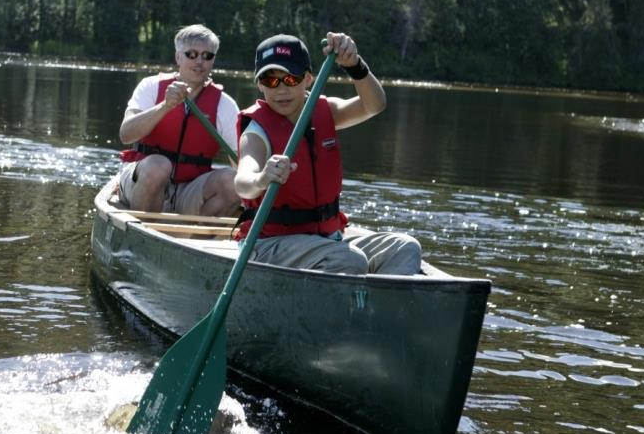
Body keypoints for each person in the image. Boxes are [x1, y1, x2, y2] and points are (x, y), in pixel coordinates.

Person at [234, 32, 422, 275]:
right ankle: (353, 304)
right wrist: (262, 178)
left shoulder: (325, 110)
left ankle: (375, 307)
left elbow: (374, 105)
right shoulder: (255, 130)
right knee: (350, 260)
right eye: (271, 81)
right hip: (270, 245)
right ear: (259, 84)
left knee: (406, 247)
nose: (281, 89)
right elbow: (243, 182)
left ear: (309, 79)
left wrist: (355, 64)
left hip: (327, 240)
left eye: (291, 79)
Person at [118, 24, 240, 216]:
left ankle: (192, 238)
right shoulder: (150, 86)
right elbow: (126, 134)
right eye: (192, 54)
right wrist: (165, 106)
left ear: (213, 61)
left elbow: (240, 162)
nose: (199, 61)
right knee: (158, 166)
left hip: (189, 190)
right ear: (177, 57)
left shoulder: (225, 105)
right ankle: (141, 233)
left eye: (207, 56)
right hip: (142, 181)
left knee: (233, 181)